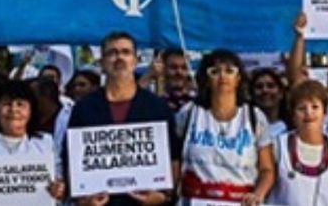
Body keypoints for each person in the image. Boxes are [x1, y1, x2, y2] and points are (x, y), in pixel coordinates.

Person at [67, 31, 178, 206]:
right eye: (112, 52)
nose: (119, 57)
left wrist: (163, 197)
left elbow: (174, 158)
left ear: (135, 60)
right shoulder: (83, 108)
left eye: (126, 52)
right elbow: (71, 159)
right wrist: (83, 201)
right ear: (102, 63)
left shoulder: (157, 107)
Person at [176, 49, 275, 205]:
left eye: (229, 71)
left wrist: (258, 194)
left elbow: (267, 170)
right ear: (206, 79)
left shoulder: (255, 117)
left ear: (238, 78)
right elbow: (174, 160)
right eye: (214, 71)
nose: (222, 76)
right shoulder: (188, 113)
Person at [0, 80, 66, 202]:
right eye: (7, 104)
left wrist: (58, 189)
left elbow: (58, 182)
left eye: (20, 104)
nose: (13, 109)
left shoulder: (45, 143)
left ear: (31, 110)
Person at [267, 80, 328, 206]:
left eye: (315, 107)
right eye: (301, 108)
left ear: (325, 112)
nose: (308, 113)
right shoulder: (277, 146)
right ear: (293, 114)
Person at [141, 48, 196, 114]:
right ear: (163, 69)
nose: (179, 72)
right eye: (173, 67)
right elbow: (132, 102)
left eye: (184, 68)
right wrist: (148, 75)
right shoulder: (153, 99)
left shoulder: (196, 100)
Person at [250, 68, 288, 139]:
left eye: (270, 86)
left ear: (281, 93)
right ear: (252, 95)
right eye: (259, 87)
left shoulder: (293, 126)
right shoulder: (245, 128)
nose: (265, 90)